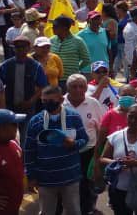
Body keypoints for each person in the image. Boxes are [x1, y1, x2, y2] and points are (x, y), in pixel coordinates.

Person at [23, 85, 90, 215]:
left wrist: (74, 144)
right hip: (45, 178)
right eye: (44, 101)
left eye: (51, 101)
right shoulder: (35, 121)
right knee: (47, 211)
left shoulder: (73, 117)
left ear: (61, 100)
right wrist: (31, 176)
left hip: (70, 176)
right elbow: (29, 150)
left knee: (73, 211)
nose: (47, 104)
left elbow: (84, 139)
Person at [65, 73, 106, 215]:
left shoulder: (93, 103)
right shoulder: (61, 103)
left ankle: (87, 209)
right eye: (74, 86)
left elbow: (101, 129)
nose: (78, 90)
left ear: (86, 88)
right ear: (68, 88)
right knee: (68, 185)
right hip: (67, 152)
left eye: (81, 86)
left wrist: (99, 154)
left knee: (87, 184)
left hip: (89, 151)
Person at [0, 36, 49, 125]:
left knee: (26, 130)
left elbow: (43, 87)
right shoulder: (5, 66)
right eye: (18, 47)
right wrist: (2, 104)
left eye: (24, 46)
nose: (21, 49)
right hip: (9, 106)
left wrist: (30, 102)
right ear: (14, 49)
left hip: (28, 108)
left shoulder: (36, 66)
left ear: (29, 48)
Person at [50, 16, 92, 80]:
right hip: (53, 79)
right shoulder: (51, 40)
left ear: (65, 28)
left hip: (70, 80)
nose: (52, 28)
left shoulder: (78, 41)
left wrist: (76, 69)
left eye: (55, 26)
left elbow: (86, 60)